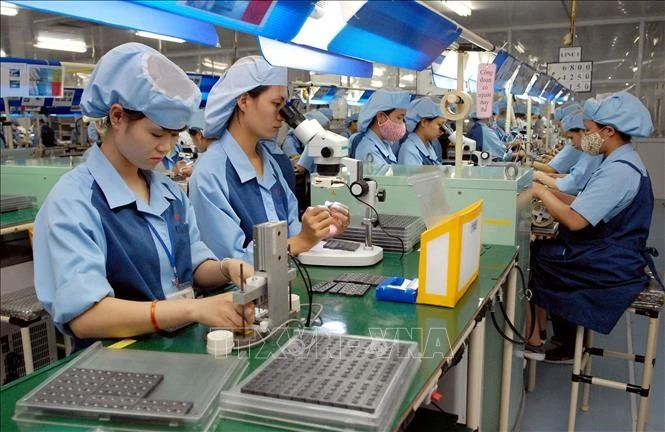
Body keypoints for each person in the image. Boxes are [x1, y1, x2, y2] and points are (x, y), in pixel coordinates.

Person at [32, 43, 254, 349]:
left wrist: (226, 267)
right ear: (118, 116)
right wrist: (192, 308)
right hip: (116, 365)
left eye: (175, 135)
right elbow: (85, 316)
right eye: (156, 134)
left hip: (178, 347)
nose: (167, 147)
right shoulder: (75, 202)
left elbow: (192, 266)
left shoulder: (168, 193)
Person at [526, 91, 660, 363]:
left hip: (610, 262)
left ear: (608, 131)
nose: (584, 137)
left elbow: (576, 220)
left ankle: (544, 342)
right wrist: (549, 192)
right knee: (546, 251)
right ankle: (559, 337)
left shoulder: (618, 170)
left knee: (535, 258)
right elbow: (585, 202)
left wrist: (541, 193)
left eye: (587, 131)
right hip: (614, 250)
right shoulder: (621, 160)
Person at [188, 56, 350, 263]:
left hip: (282, 280)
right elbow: (228, 263)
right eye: (276, 104)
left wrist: (320, 227)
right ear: (244, 101)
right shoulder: (210, 173)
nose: (282, 116)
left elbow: (291, 231)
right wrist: (301, 241)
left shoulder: (269, 162)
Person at [532, 109, 603, 195]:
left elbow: (571, 185)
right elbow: (575, 177)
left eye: (571, 138)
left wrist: (540, 176)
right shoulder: (588, 153)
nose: (572, 144)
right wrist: (551, 176)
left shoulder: (592, 155)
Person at [351, 89, 410, 166]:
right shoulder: (368, 150)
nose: (402, 124)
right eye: (399, 118)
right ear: (381, 116)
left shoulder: (384, 144)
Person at [398, 98, 444, 165]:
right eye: (439, 124)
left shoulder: (428, 146)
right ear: (424, 122)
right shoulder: (409, 150)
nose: (442, 131)